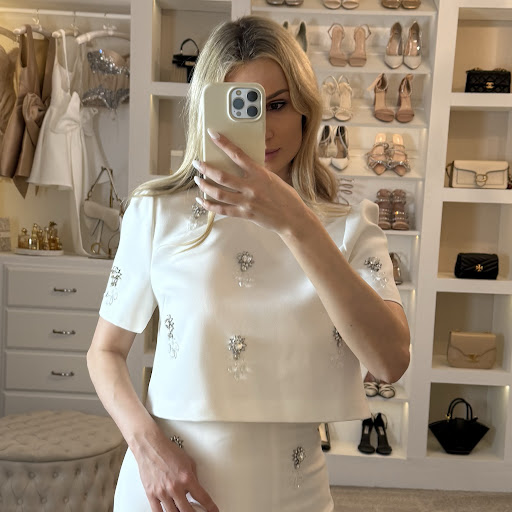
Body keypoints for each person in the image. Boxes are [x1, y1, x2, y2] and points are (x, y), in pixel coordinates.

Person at [87, 15, 410, 512]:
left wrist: (298, 225)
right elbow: (104, 352)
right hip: (169, 489)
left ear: (305, 109)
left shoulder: (348, 225)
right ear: (207, 111)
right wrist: (147, 449)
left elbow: (390, 361)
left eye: (277, 104)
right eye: (240, 105)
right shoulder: (156, 212)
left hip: (293, 493)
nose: (263, 127)